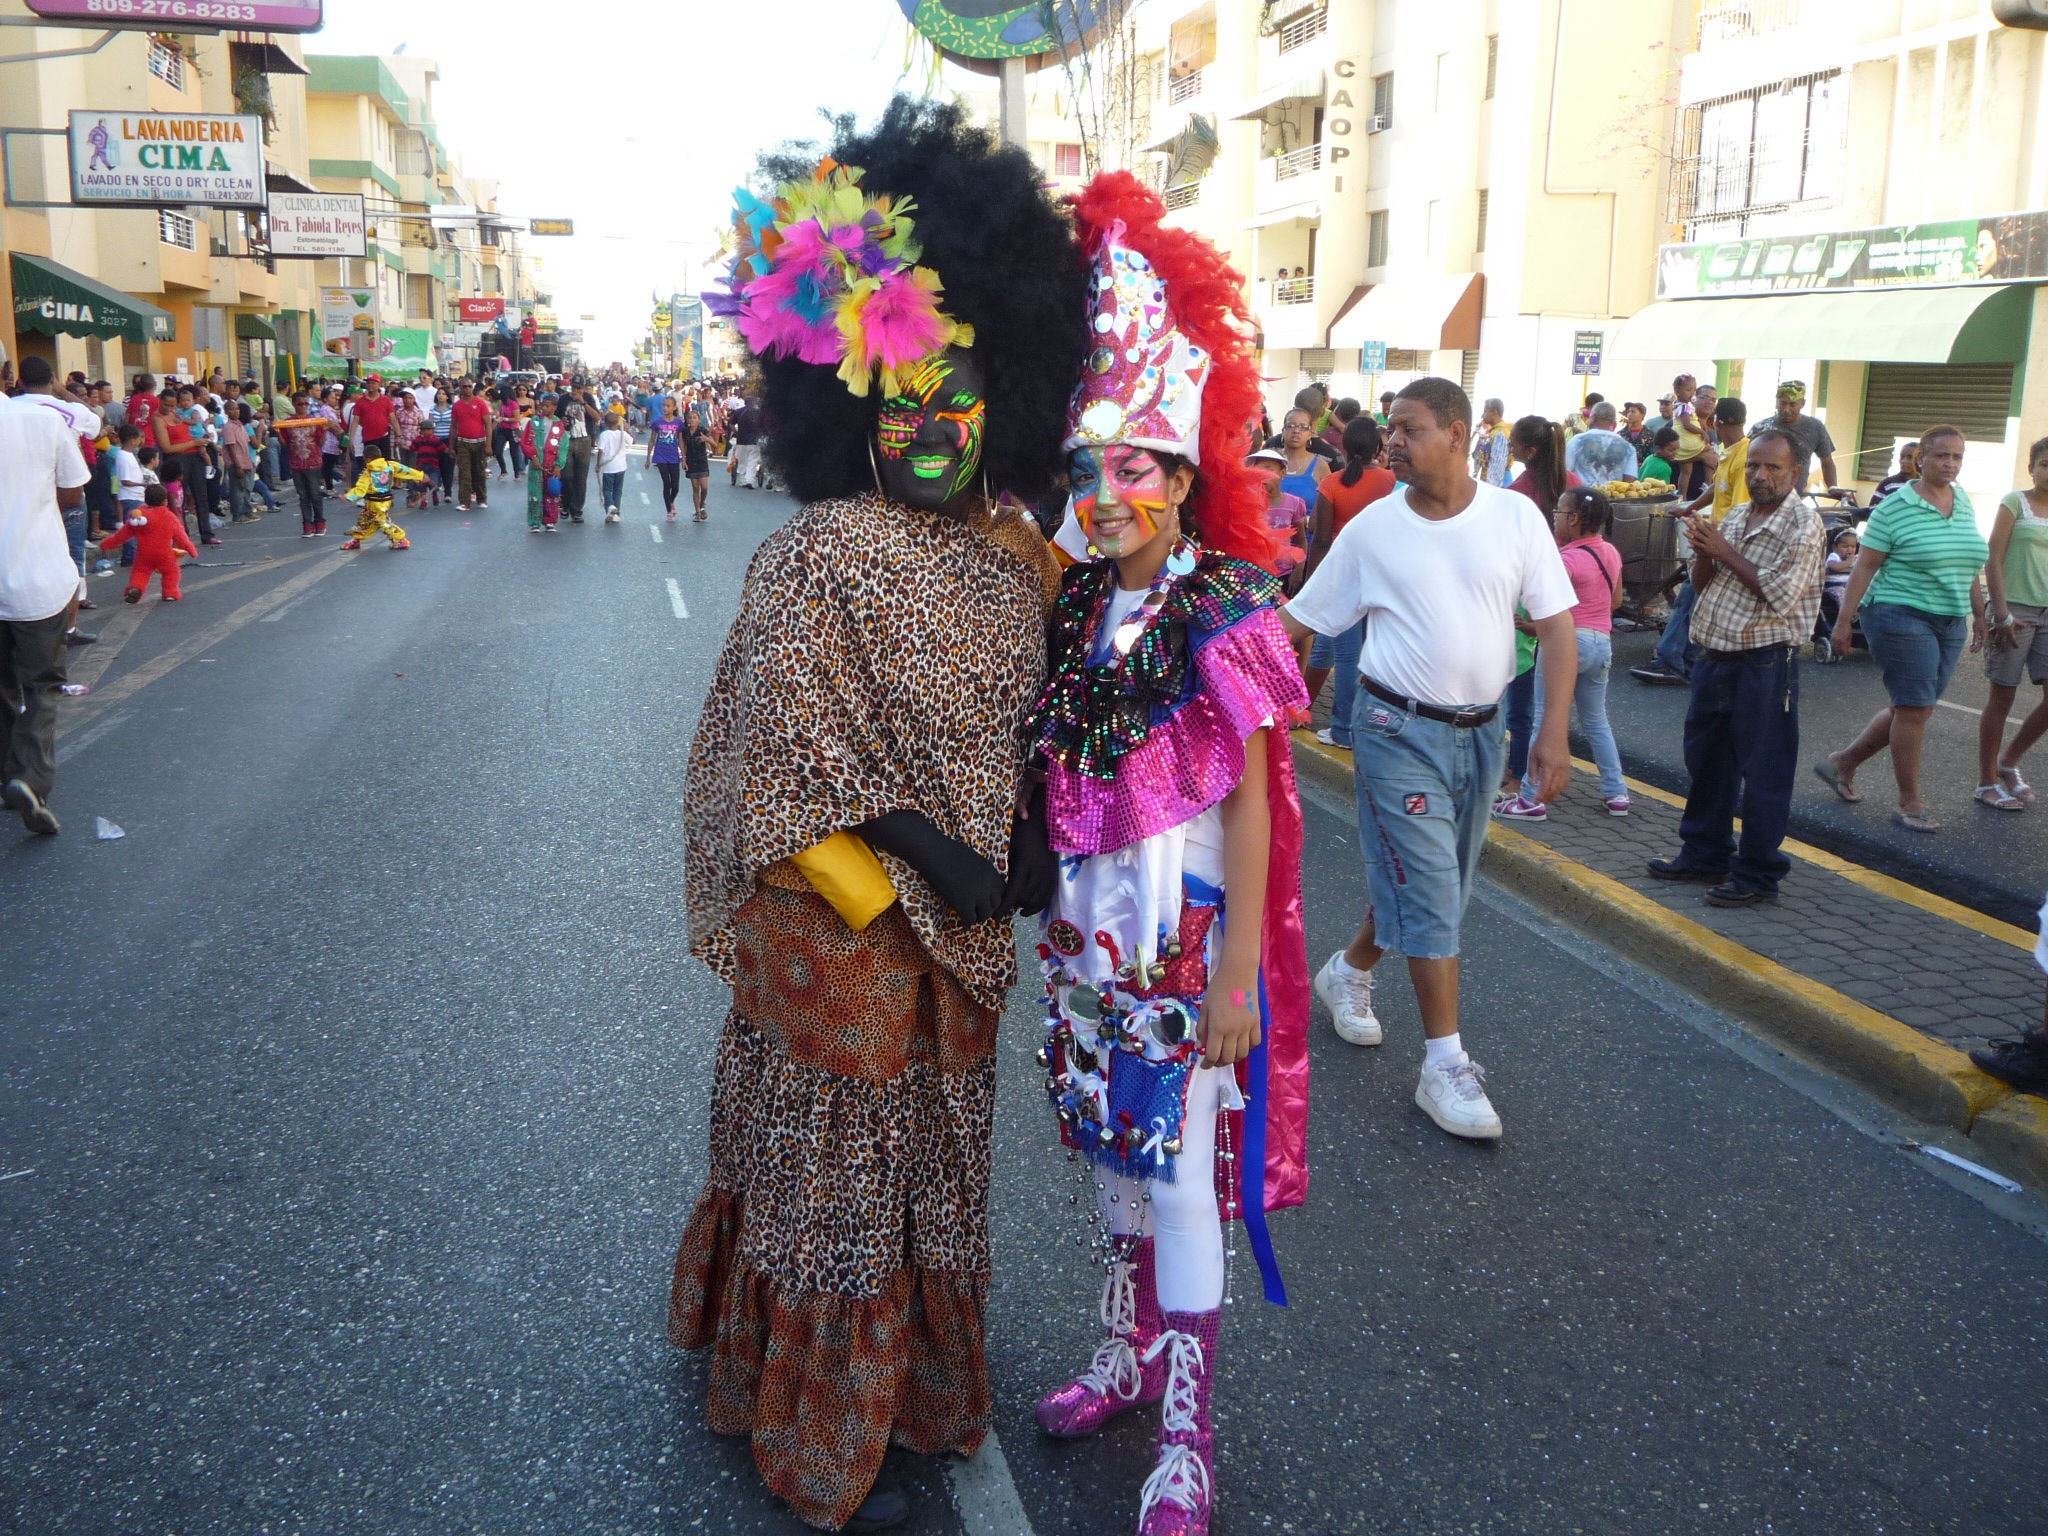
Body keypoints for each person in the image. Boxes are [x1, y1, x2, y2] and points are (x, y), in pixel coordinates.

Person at [669, 98, 1086, 1534]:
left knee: (943, 1167)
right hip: (845, 929)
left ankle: (920, 1392)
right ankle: (814, 1416)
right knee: (837, 1182)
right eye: (900, 403)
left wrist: (1032, 838)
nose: (927, 428)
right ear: (851, 408)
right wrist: (937, 855)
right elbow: (777, 764)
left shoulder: (1020, 552)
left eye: (956, 402)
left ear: (1005, 407)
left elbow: (1043, 723)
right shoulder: (816, 554)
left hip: (968, 944)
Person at [1024, 170, 1309, 1536]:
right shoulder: (1073, 599)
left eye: (1131, 466)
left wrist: (1242, 975)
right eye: (1091, 467)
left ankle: (1187, 1438)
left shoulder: (1224, 606)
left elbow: (1252, 803)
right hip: (1088, 929)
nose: (1107, 489)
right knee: (1108, 1151)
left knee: (1180, 1166)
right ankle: (1123, 1354)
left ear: (1185, 475)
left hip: (1185, 936)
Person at [1281, 378, 1579, 1138]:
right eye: (1391, 430)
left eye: (1409, 429)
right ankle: (1443, 1064)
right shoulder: (1376, 529)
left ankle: (1348, 971)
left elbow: (1556, 626)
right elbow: (1301, 622)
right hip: (1394, 730)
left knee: (1433, 881)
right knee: (1435, 889)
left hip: (1483, 736)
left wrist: (1552, 732)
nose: (1394, 443)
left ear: (1456, 432)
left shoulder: (1516, 517)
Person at [1646, 429, 1825, 905]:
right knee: (1708, 763)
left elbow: (1782, 596)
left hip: (1765, 663)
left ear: (1795, 474)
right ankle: (1706, 853)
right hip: (1715, 657)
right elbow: (1707, 585)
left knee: (1763, 772)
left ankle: (1759, 874)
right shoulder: (1740, 513)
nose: (1759, 476)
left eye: (1772, 468)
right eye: (1753, 466)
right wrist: (1704, 552)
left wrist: (1723, 551)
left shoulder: (1803, 525)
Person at [1818, 425, 1987, 832]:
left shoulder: (1961, 500)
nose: (1950, 463)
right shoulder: (1895, 507)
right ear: (1921, 459)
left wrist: (1981, 615)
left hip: (1949, 618)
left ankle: (1844, 762)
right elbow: (1864, 567)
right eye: (1941, 455)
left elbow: (1968, 563)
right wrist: (1843, 622)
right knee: (1913, 709)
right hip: (1898, 614)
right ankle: (1909, 801)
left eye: (1957, 457)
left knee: (1913, 707)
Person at [1495, 486, 1628, 818]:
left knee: (1544, 718)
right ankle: (1617, 793)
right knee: (1597, 721)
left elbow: (1550, 617)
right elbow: (1615, 602)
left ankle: (1529, 799)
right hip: (1602, 643)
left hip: (1568, 645)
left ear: (1574, 519)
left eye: (1557, 512)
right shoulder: (1610, 552)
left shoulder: (1564, 560)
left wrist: (1524, 626)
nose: (1553, 519)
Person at [0, 401, 90, 836]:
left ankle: (6, 777)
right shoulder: (42, 419)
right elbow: (73, 491)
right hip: (37, 579)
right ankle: (29, 779)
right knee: (42, 686)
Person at [1633, 396, 1751, 688]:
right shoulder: (1731, 452)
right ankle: (1677, 661)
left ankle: (1675, 662)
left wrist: (1717, 547)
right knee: (1691, 598)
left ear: (1716, 423)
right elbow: (1716, 487)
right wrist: (1690, 508)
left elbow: (1740, 510)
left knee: (1693, 598)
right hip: (1714, 539)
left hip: (1722, 543)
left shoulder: (1744, 456)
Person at [1302, 415, 1393, 748]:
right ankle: (1340, 719)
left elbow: (1321, 539)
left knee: (1346, 656)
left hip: (1342, 579)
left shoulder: (1332, 484)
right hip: (1382, 578)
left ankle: (1343, 728)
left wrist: (1314, 583)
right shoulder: (1391, 481)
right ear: (1379, 448)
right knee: (1359, 654)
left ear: (1345, 445)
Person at [1974, 437, 2048, 811]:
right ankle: (1986, 781)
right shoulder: (2014, 502)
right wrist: (1999, 612)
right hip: (2014, 610)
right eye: (2045, 464)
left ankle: (2010, 761)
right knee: (2002, 697)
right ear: (2031, 468)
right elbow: (1993, 557)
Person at [100, 483, 196, 602]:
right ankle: (170, 592)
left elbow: (121, 535)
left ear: (146, 500)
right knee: (171, 571)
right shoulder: (169, 517)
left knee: (140, 572)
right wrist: (191, 550)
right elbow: (181, 537)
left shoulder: (138, 517)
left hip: (143, 554)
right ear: (165, 501)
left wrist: (106, 544)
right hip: (165, 554)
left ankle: (136, 588)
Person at [1751, 379, 1837, 492]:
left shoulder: (1815, 427)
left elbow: (1827, 462)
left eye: (1792, 404)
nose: (1786, 409)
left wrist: (1833, 487)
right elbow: (1747, 464)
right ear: (1777, 402)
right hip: (1764, 495)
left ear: (1802, 404)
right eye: (1783, 403)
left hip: (1796, 497)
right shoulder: (1760, 428)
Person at [339, 452, 421, 551]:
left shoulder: (368, 472)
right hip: (385, 500)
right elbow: (406, 470)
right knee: (364, 520)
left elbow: (360, 490)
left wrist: (347, 497)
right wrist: (420, 476)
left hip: (375, 502)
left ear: (368, 459)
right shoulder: (390, 465)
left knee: (383, 522)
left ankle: (401, 539)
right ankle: (357, 539)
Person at [276, 396, 329, 538]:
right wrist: (278, 433)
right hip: (296, 463)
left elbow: (321, 442)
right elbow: (285, 444)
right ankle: (307, 524)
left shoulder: (314, 421)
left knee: (315, 494)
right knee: (303, 496)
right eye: (300, 404)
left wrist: (324, 430)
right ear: (294, 404)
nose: (303, 406)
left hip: (313, 462)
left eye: (306, 404)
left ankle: (319, 522)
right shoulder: (288, 423)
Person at [1563, 401, 1639, 485]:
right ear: (1613, 422)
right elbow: (1630, 479)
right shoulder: (1628, 448)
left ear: (1594, 418)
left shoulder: (1578, 440)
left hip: (1581, 495)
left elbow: (1565, 471)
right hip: (1612, 496)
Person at [522, 394, 567, 534]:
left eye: (548, 406)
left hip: (551, 465)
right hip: (537, 463)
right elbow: (526, 441)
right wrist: (533, 457)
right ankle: (535, 522)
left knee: (551, 492)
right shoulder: (534, 422)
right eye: (543, 405)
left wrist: (559, 464)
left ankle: (550, 521)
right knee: (535, 492)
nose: (544, 408)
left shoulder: (559, 425)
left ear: (554, 407)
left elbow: (563, 446)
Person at [451, 380, 493, 509]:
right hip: (463, 443)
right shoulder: (456, 406)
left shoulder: (480, 403)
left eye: (470, 386)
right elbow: (453, 427)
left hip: (480, 443)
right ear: (461, 389)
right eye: (465, 387)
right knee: (464, 473)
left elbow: (488, 424)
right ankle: (464, 502)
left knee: (479, 472)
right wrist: (451, 446)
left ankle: (482, 499)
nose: (467, 389)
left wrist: (488, 444)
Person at [646, 396, 685, 520]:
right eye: (664, 405)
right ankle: (669, 511)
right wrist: (648, 457)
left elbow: (681, 440)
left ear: (674, 408)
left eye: (668, 406)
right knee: (666, 484)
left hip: (673, 457)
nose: (665, 408)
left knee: (675, 486)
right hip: (660, 456)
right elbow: (652, 440)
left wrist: (683, 457)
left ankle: (671, 501)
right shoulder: (658, 422)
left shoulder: (678, 422)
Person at [596, 416, 632, 523]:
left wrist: (598, 464)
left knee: (607, 490)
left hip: (609, 468)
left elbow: (601, 451)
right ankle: (616, 512)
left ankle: (610, 507)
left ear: (606, 424)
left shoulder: (604, 435)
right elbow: (632, 441)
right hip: (621, 466)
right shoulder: (622, 434)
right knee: (618, 490)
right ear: (618, 422)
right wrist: (627, 429)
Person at [683, 395, 712, 520]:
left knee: (704, 488)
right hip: (691, 461)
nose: (692, 419)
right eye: (690, 418)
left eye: (695, 418)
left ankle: (702, 504)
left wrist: (706, 439)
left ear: (699, 420)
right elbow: (683, 447)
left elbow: (714, 444)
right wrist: (683, 460)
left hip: (702, 461)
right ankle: (698, 512)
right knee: (695, 488)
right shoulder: (684, 432)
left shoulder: (702, 430)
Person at [1470, 396, 1511, 486]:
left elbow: (1497, 468)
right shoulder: (1495, 431)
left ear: (1495, 412)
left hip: (1498, 484)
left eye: (1485, 411)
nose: (1482, 415)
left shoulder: (1500, 433)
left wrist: (1490, 488)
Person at [1872, 442, 1918, 508]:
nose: (1903, 461)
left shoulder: (1924, 485)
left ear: (1920, 459)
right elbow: (1873, 509)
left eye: (1910, 457)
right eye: (1902, 457)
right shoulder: (1887, 484)